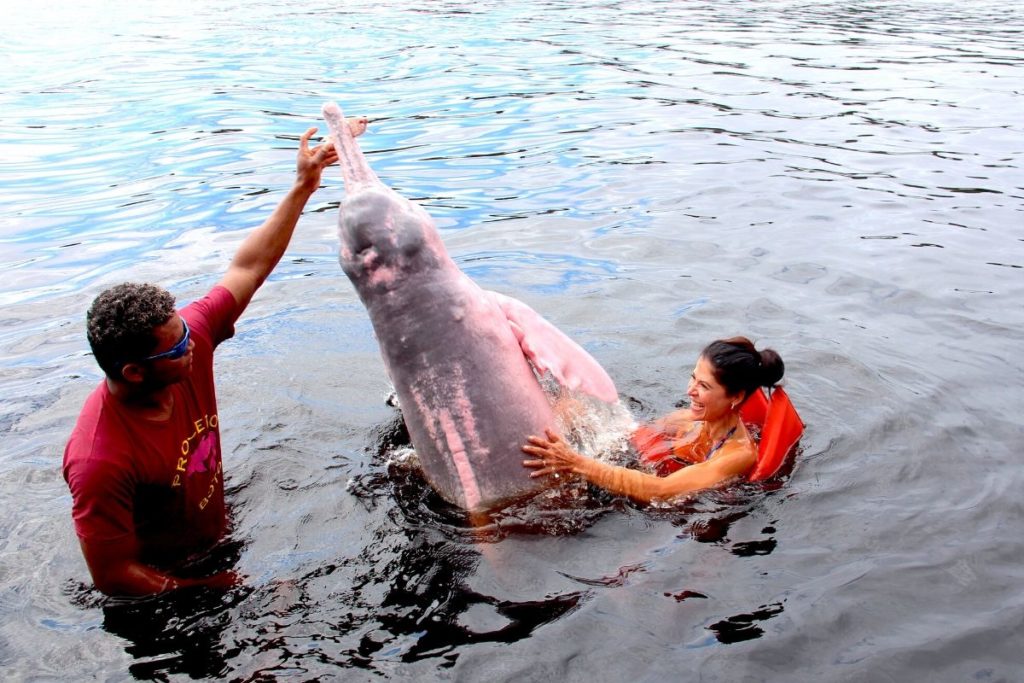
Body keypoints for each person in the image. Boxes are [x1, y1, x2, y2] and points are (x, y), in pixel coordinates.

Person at [62, 120, 366, 596]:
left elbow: (246, 267)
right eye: (179, 348)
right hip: (166, 593)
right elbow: (115, 576)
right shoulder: (100, 459)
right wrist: (222, 588)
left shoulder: (186, 339)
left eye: (186, 332)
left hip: (215, 543)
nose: (193, 346)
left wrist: (303, 188)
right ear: (135, 372)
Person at [522, 336, 784, 505]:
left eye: (703, 386)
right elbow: (633, 436)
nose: (689, 390)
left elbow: (661, 490)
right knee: (570, 407)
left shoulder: (738, 454)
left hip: (650, 512)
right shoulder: (688, 420)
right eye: (693, 377)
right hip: (628, 477)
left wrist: (577, 463)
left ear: (736, 397)